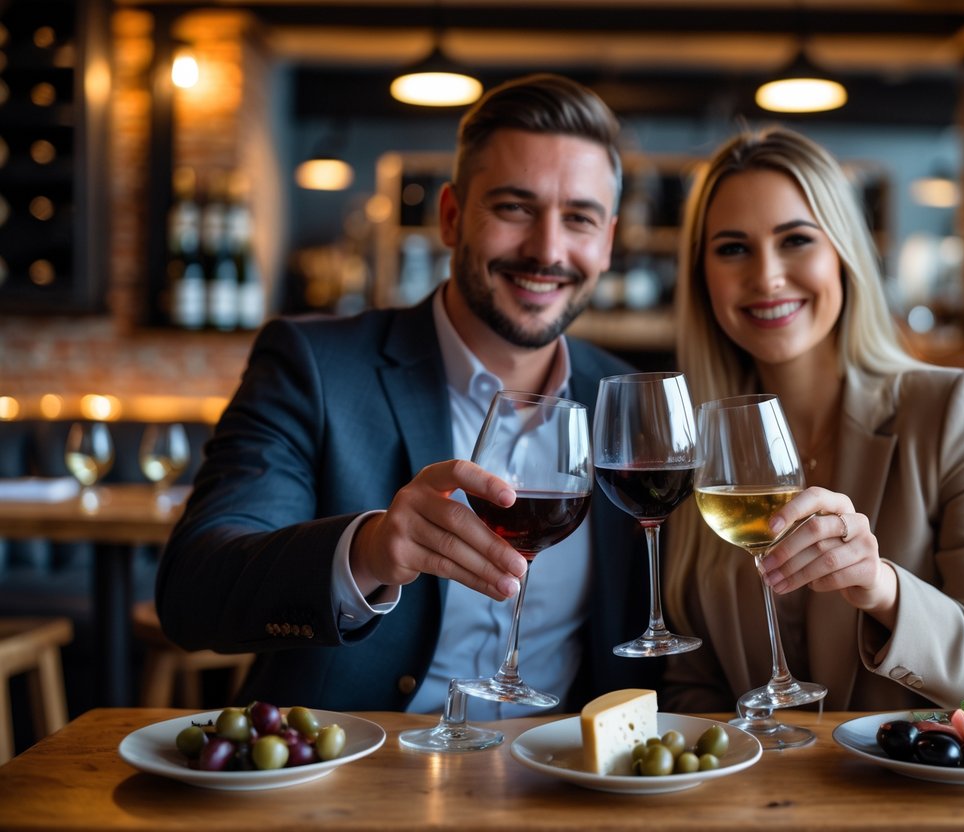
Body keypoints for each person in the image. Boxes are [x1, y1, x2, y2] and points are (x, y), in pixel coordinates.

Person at [157, 74, 660, 715]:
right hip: (358, 783)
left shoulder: (625, 403)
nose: (547, 250)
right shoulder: (314, 365)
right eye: (513, 208)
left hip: (565, 785)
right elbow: (193, 593)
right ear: (451, 217)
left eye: (579, 219)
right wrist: (365, 552)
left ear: (608, 241)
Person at [663, 127, 964, 714]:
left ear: (842, 253)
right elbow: (690, 685)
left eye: (795, 239)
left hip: (907, 796)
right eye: (733, 248)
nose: (767, 276)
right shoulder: (697, 441)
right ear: (702, 277)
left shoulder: (951, 410)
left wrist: (884, 590)